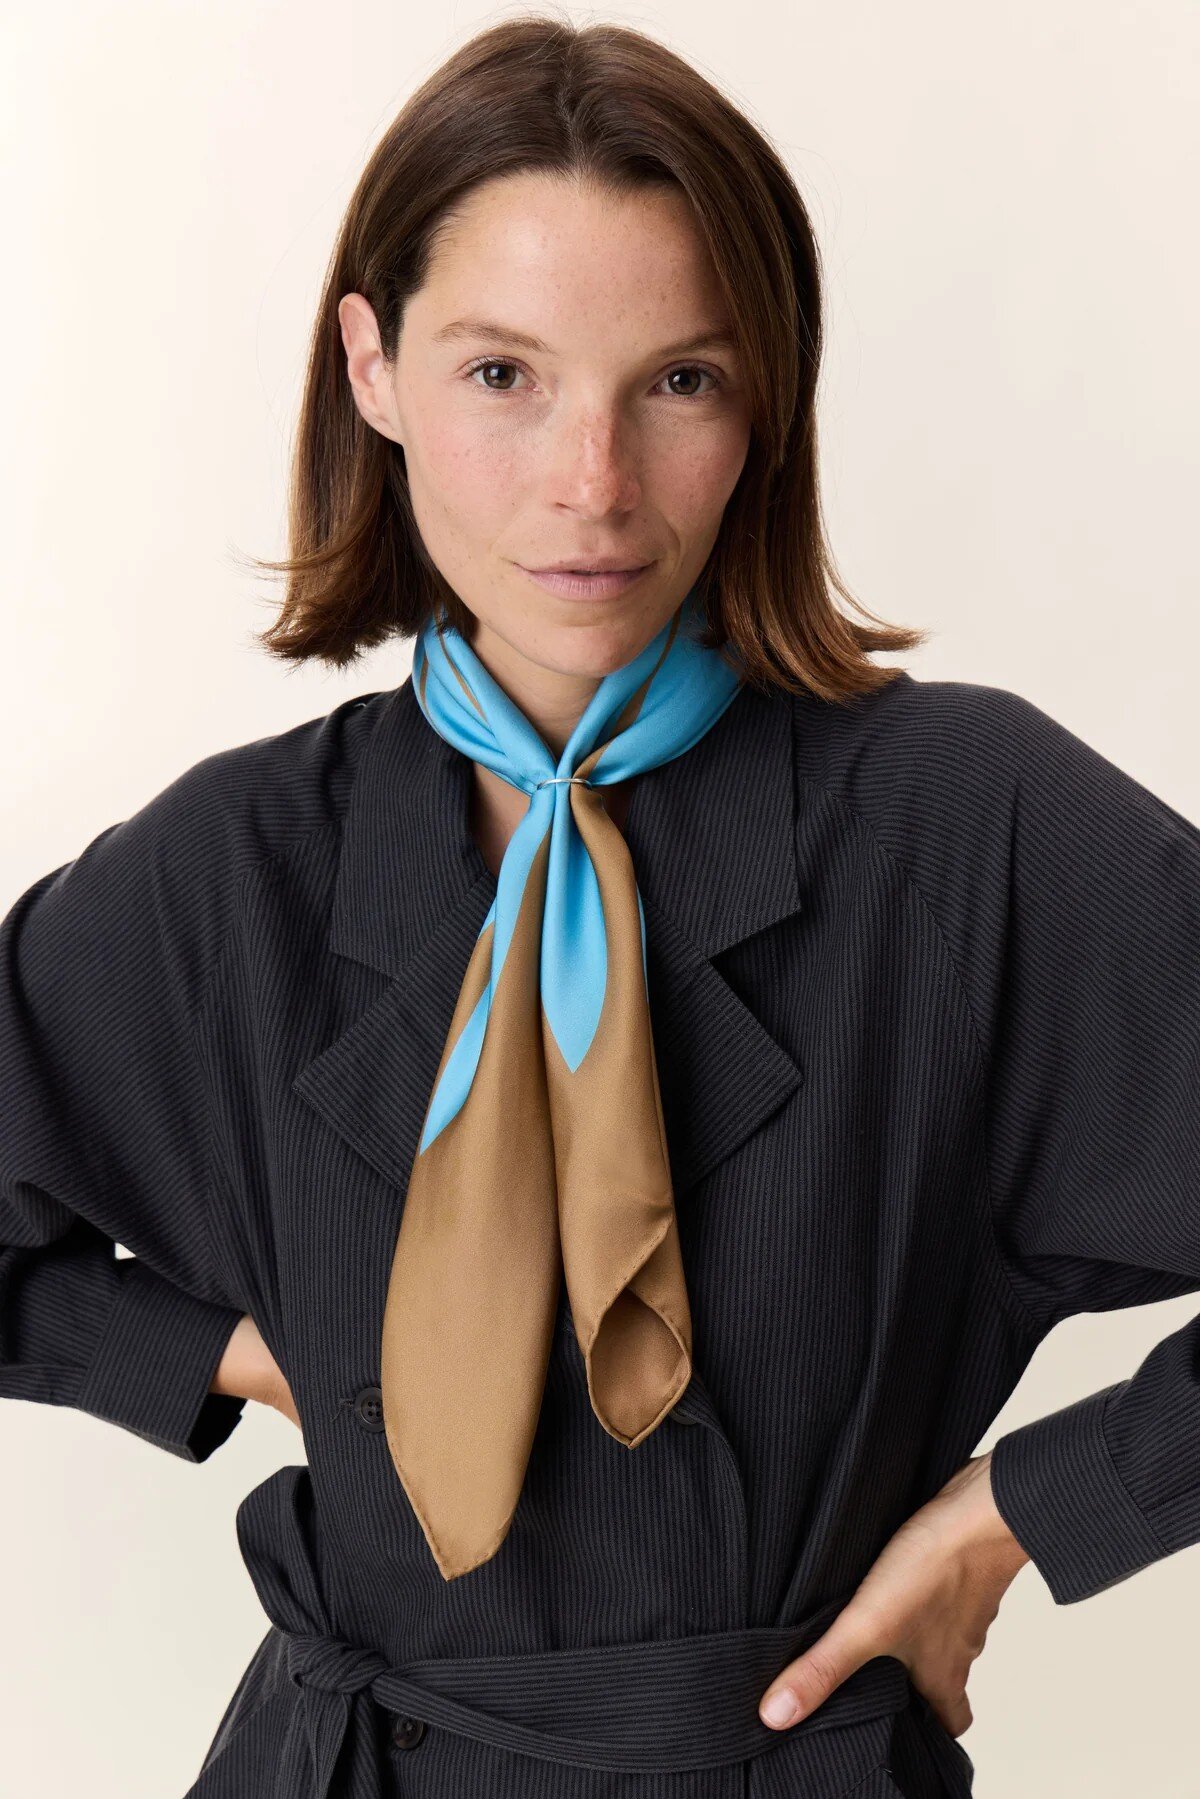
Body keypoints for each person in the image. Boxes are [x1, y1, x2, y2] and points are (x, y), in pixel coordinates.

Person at [3, 16, 1198, 1799]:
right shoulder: (232, 873)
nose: (594, 483)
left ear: (767, 394)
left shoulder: (968, 829)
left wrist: (1022, 1515)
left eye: (681, 380)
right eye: (503, 373)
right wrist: (222, 1357)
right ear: (372, 366)